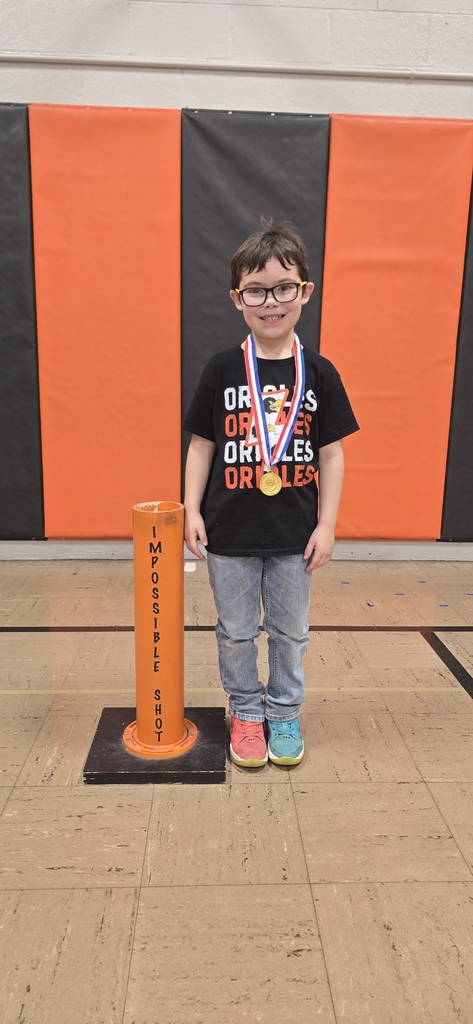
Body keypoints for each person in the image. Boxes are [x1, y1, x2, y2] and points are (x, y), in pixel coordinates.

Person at [183, 223, 359, 768]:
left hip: (293, 535)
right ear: (239, 300)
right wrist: (190, 507)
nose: (270, 302)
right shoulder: (222, 368)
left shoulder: (321, 374)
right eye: (255, 291)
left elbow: (331, 454)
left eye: (284, 287)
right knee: (235, 633)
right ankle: (246, 712)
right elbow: (201, 445)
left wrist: (327, 524)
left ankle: (283, 711)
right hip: (229, 534)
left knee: (290, 633)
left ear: (305, 291)